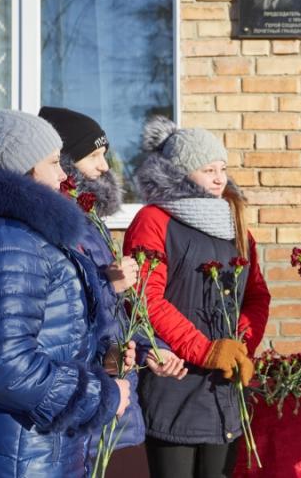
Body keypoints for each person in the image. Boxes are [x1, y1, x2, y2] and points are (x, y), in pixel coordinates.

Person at [0, 110, 134, 477]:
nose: (63, 174)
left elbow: (49, 336)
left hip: (44, 446)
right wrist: (101, 397)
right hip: (17, 454)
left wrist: (102, 357)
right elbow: (10, 369)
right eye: (54, 162)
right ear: (19, 169)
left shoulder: (30, 235)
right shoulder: (6, 241)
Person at [124, 115, 271, 478]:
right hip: (174, 380)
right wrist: (205, 350)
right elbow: (145, 299)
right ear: (181, 172)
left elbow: (256, 296)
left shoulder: (235, 223)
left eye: (222, 168)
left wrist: (241, 347)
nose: (220, 178)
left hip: (225, 385)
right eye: (208, 169)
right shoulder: (154, 220)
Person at [38, 106, 188, 462]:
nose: (105, 167)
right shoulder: (50, 226)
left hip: (101, 392)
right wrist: (109, 287)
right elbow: (57, 313)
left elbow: (116, 311)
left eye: (103, 155)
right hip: (69, 400)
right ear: (64, 162)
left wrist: (151, 347)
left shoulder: (91, 225)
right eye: (94, 156)